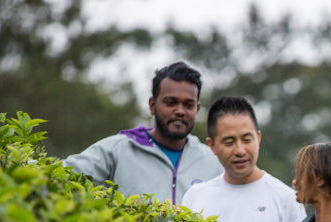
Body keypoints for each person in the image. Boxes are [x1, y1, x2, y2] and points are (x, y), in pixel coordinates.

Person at [64, 61, 222, 204]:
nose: (180, 111)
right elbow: (60, 177)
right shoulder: (118, 150)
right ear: (152, 105)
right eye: (171, 102)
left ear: (197, 109)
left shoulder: (214, 162)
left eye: (188, 105)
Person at [181, 96, 306, 222]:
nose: (240, 150)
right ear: (212, 146)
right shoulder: (195, 196)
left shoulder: (287, 199)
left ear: (258, 138)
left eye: (247, 140)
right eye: (229, 142)